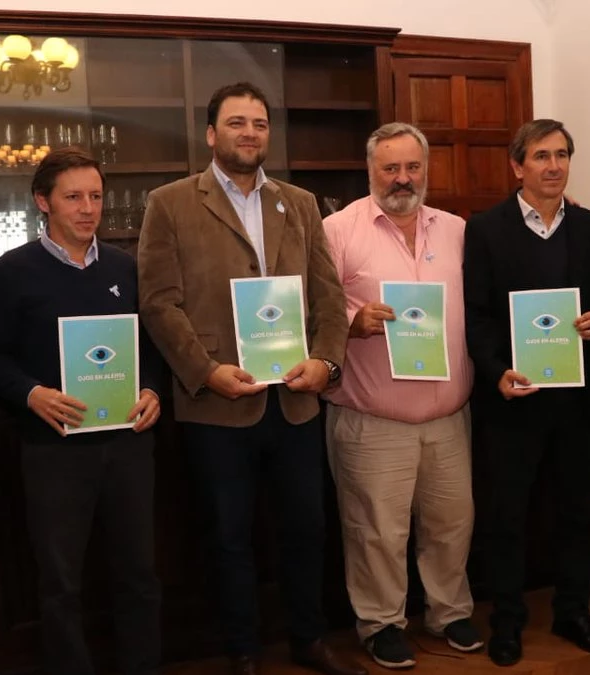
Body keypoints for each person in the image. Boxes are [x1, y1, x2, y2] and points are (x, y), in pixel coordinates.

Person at [136, 81, 365, 675]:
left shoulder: (301, 203)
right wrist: (205, 371)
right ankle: (242, 650)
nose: (250, 133)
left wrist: (326, 362)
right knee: (229, 537)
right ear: (211, 134)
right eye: (237, 123)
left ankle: (309, 639)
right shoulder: (170, 203)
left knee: (306, 530)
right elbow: (159, 303)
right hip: (218, 403)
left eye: (260, 124)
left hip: (295, 401)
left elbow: (328, 295)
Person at [0, 147, 163, 675]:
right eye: (74, 197)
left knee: (139, 573)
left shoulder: (125, 267)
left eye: (96, 196)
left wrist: (152, 390)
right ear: (44, 202)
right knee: (60, 583)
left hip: (127, 444)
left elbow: (151, 349)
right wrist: (31, 393)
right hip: (54, 449)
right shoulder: (13, 271)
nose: (88, 208)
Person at [322, 122, 481, 670]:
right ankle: (382, 624)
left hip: (449, 417)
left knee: (451, 524)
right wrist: (352, 320)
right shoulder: (338, 230)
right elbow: (313, 306)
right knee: (376, 532)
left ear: (426, 169)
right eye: (390, 168)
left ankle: (448, 612)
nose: (402, 178)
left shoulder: (457, 230)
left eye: (412, 167)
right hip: (373, 419)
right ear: (370, 171)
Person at [463, 119, 590, 667]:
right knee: (508, 514)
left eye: (562, 155)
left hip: (577, 403)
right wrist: (496, 371)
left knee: (580, 512)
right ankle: (507, 619)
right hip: (514, 399)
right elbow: (476, 314)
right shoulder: (485, 229)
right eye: (541, 156)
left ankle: (574, 611)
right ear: (517, 166)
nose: (554, 166)